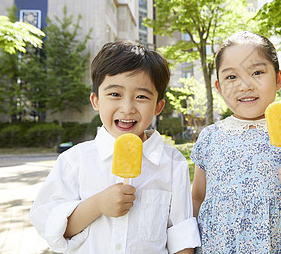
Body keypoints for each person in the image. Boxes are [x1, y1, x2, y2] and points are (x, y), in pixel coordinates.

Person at [30, 41, 200, 253]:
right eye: (115, 94)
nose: (127, 108)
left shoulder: (172, 163)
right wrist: (98, 204)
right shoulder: (75, 161)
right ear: (96, 100)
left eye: (141, 97)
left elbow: (181, 234)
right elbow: (53, 227)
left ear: (158, 106)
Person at [191, 31, 281, 253]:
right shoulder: (209, 138)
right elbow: (198, 197)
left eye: (257, 72)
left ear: (278, 79)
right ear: (218, 88)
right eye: (231, 77)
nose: (244, 85)